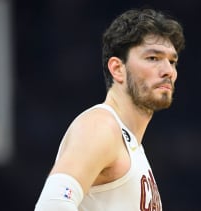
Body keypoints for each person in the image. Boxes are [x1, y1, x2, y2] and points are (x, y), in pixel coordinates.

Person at [35, 7, 185, 211]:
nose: (168, 70)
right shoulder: (101, 126)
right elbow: (51, 205)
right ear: (117, 69)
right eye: (153, 58)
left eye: (172, 61)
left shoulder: (130, 143)